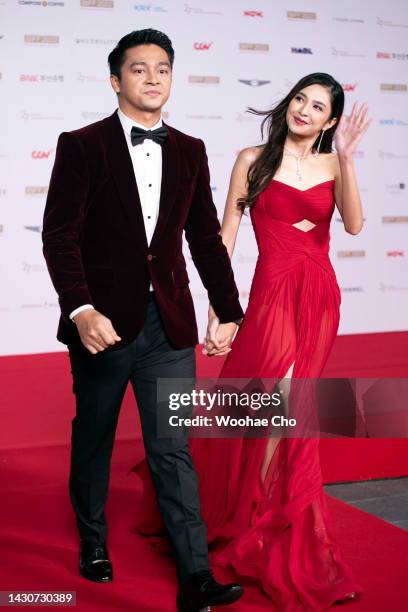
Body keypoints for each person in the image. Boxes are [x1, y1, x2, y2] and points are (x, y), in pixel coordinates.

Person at [134, 73, 371, 610]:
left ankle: (259, 519)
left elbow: (353, 226)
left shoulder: (336, 164)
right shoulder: (251, 159)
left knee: (285, 401)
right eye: (300, 100)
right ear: (288, 104)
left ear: (331, 120)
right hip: (268, 294)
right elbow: (225, 239)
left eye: (318, 107)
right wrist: (222, 311)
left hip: (319, 297)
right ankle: (238, 509)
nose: (305, 111)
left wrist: (349, 161)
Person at [42, 28, 245, 612]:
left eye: (162, 68)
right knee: (95, 437)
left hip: (169, 327)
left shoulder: (190, 148)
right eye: (139, 69)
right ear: (116, 80)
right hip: (103, 325)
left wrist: (228, 310)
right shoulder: (81, 145)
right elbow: (61, 238)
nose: (153, 77)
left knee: (172, 448)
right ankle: (93, 542)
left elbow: (205, 239)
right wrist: (81, 311)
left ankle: (195, 575)